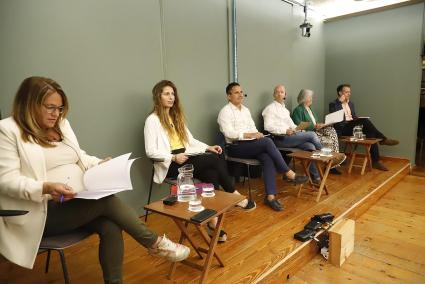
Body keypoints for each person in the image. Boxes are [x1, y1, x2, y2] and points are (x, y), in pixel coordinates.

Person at [0, 77, 189, 284]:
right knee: (105, 201)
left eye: (60, 108)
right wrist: (45, 187)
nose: (57, 114)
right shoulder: (8, 130)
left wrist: (98, 163)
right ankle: (154, 242)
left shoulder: (61, 124)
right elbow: (6, 181)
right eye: (50, 107)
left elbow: (79, 155)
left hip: (74, 202)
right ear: (30, 104)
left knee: (110, 225)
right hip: (41, 211)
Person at [144, 80, 256, 242]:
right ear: (158, 96)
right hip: (170, 163)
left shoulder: (176, 117)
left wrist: (208, 146)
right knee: (214, 161)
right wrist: (173, 157)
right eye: (166, 94)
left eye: (173, 94)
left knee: (211, 173)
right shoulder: (152, 120)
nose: (171, 97)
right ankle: (234, 195)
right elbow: (150, 151)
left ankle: (213, 222)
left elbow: (191, 141)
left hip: (186, 158)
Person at [217, 82, 308, 212]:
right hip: (235, 147)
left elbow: (253, 127)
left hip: (251, 144)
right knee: (268, 142)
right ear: (229, 96)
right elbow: (229, 134)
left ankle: (270, 197)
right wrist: (249, 135)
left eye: (241, 92)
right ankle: (289, 173)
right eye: (236, 92)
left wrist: (257, 134)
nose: (240, 94)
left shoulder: (246, 110)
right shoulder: (225, 112)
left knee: (267, 157)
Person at [329, 84, 399, 171]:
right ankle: (383, 139)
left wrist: (358, 119)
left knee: (371, 134)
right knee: (366, 122)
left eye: (349, 92)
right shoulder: (333, 104)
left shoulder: (351, 103)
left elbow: (353, 117)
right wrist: (340, 102)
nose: (349, 94)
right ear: (340, 93)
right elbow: (334, 118)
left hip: (352, 127)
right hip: (343, 129)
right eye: (346, 92)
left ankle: (376, 161)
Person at [262, 85, 323, 183]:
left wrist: (299, 129)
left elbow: (292, 125)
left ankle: (314, 175)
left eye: (282, 92)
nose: (279, 94)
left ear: (285, 95)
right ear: (274, 95)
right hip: (279, 139)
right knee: (311, 134)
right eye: (277, 92)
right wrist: (285, 130)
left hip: (290, 137)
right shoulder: (270, 109)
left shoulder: (285, 110)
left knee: (310, 146)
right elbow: (267, 127)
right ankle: (326, 154)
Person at [292, 89, 346, 175]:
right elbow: (299, 126)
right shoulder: (298, 110)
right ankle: (332, 160)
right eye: (310, 97)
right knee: (328, 138)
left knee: (331, 129)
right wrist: (314, 126)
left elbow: (315, 122)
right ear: (304, 98)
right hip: (309, 133)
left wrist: (320, 124)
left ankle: (334, 157)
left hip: (316, 130)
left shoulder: (310, 109)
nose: (311, 99)